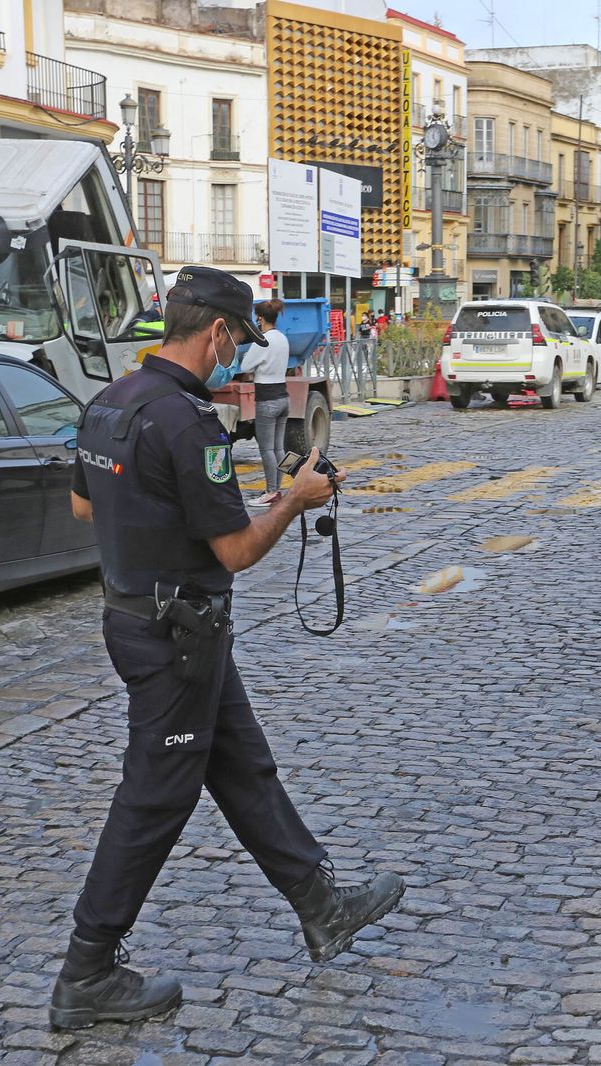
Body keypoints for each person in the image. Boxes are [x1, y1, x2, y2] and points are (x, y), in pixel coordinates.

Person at [52, 266, 403, 1030]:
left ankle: (321, 905)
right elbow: (238, 550)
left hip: (147, 621)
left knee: (243, 765)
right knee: (155, 796)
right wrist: (295, 498)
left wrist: (172, 519)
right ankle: (87, 970)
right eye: (235, 341)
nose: (234, 356)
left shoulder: (110, 400)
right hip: (175, 637)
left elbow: (84, 504)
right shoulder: (187, 421)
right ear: (215, 331)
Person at [239, 298, 291, 508]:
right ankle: (277, 490)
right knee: (279, 448)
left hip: (267, 399)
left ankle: (271, 491)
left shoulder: (262, 340)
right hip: (283, 397)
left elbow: (245, 366)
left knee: (267, 449)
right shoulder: (283, 338)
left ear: (260, 319)